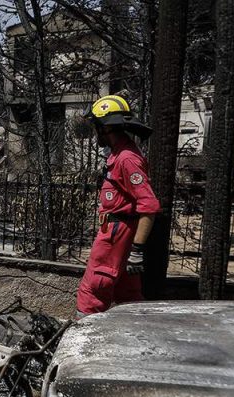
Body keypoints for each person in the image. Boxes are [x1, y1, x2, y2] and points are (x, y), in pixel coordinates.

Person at [76, 95, 160, 318]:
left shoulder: (126, 159)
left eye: (96, 127)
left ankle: (80, 344)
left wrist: (137, 251)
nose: (95, 134)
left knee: (92, 291)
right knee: (127, 296)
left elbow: (149, 205)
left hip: (116, 235)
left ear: (105, 128)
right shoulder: (118, 155)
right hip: (118, 233)